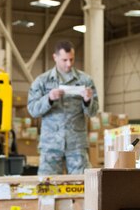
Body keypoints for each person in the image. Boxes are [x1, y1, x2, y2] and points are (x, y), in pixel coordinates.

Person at [27, 39, 99, 175]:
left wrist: (87, 101)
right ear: (55, 57)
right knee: (48, 185)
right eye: (64, 60)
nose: (69, 64)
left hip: (76, 145)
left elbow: (93, 112)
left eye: (71, 59)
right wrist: (48, 99)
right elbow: (32, 110)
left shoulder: (85, 81)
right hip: (50, 145)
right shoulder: (42, 81)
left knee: (81, 184)